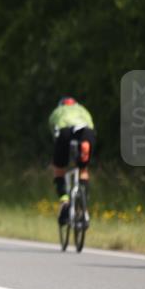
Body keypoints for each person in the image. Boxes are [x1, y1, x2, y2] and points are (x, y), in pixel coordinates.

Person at [48, 96, 96, 226]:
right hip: (86, 132)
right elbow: (92, 127)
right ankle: (84, 209)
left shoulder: (57, 111)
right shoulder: (83, 110)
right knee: (83, 169)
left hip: (64, 132)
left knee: (59, 168)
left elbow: (54, 133)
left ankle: (64, 201)